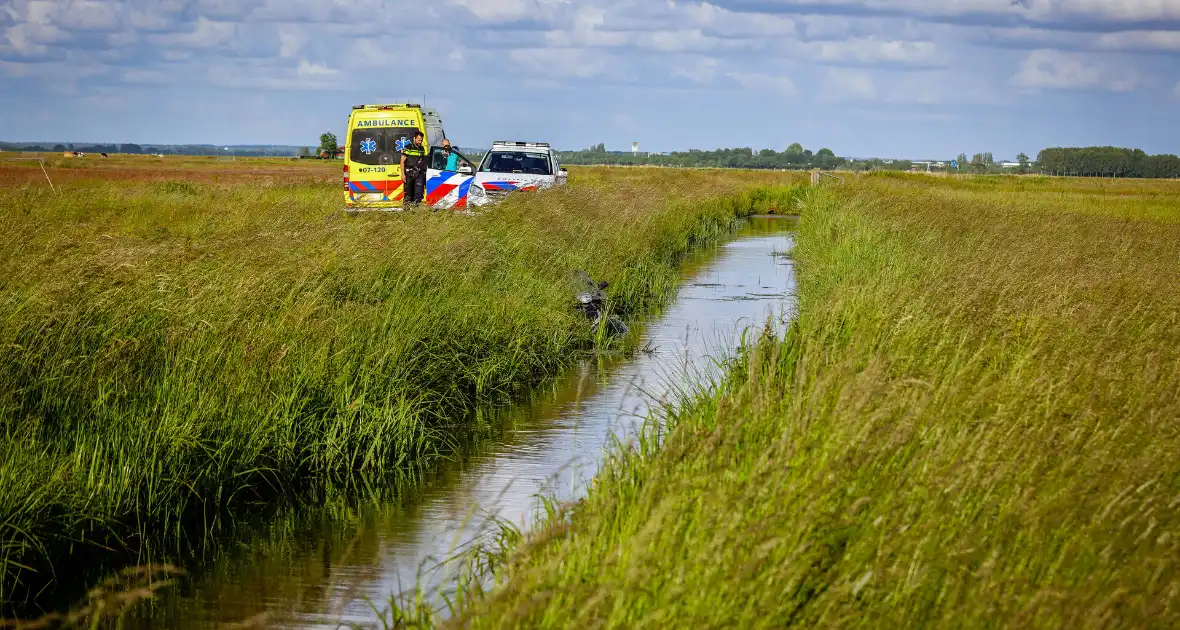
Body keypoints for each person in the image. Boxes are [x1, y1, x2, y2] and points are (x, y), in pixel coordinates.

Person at [400, 130, 427, 206]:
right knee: (408, 195)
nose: (420, 142)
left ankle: (415, 212)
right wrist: (403, 174)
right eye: (418, 140)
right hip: (409, 174)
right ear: (414, 138)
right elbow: (402, 162)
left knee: (418, 195)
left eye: (421, 140)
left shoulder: (421, 148)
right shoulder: (408, 147)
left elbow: (422, 161)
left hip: (418, 174)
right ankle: (406, 212)